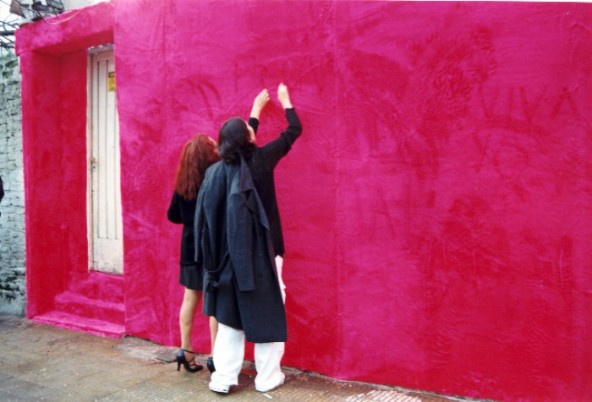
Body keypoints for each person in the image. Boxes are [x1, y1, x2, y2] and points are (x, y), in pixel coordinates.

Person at [194, 83, 302, 394]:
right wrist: (285, 101)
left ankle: (223, 378)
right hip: (263, 253)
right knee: (268, 313)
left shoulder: (214, 173)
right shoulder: (261, 160)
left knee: (230, 319)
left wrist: (254, 111)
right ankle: (267, 378)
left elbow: (205, 220)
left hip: (226, 258)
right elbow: (293, 131)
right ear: (248, 138)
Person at [167, 134, 220, 373]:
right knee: (213, 303)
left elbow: (172, 215)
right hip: (210, 248)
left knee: (189, 299)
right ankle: (215, 356)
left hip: (189, 248)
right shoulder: (215, 179)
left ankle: (185, 350)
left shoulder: (184, 183)